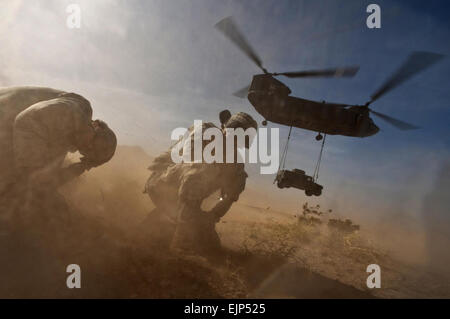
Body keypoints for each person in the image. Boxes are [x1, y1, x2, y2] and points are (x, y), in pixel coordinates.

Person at [144, 111, 257, 255]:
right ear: (224, 126)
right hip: (161, 184)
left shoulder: (235, 161)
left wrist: (210, 218)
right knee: (205, 169)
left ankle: (185, 224)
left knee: (239, 177)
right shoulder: (204, 132)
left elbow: (232, 191)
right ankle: (180, 241)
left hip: (186, 203)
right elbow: (192, 161)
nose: (235, 141)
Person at [0, 86, 117, 224]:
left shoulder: (64, 137)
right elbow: (27, 120)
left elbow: (44, 182)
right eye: (92, 144)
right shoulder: (75, 111)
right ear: (95, 125)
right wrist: (30, 173)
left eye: (88, 152)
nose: (85, 147)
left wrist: (78, 168)